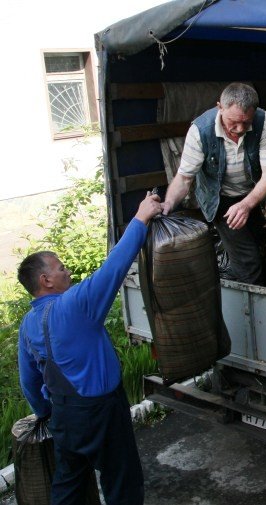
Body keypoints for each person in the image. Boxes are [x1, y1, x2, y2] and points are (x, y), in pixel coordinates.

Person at [17, 192, 162, 505]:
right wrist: (141, 218)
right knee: (122, 482)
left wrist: (48, 413)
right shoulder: (76, 305)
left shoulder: (28, 325)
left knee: (68, 487)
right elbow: (114, 268)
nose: (67, 271)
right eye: (60, 268)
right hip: (102, 412)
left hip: (63, 415)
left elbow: (29, 382)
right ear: (46, 280)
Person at [162, 82, 266, 284]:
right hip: (219, 198)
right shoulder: (200, 131)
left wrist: (246, 205)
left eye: (246, 122)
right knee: (247, 259)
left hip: (251, 194)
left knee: (261, 244)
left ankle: (246, 284)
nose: (240, 128)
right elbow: (184, 177)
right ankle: (253, 309)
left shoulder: (264, 121)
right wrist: (168, 205)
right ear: (220, 107)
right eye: (234, 121)